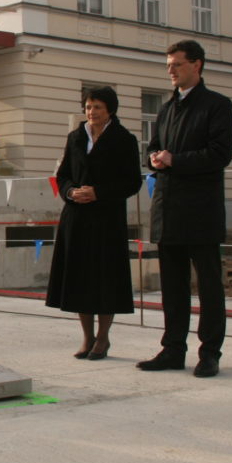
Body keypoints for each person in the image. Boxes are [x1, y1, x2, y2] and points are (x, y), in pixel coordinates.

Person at [138, 39, 232, 378]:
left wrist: (175, 160)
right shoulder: (166, 109)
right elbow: (153, 148)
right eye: (168, 65)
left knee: (208, 286)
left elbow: (220, 154)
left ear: (196, 65)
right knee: (172, 286)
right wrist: (154, 157)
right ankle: (172, 349)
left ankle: (209, 352)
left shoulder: (217, 106)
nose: (170, 70)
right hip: (168, 209)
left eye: (176, 64)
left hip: (201, 210)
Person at [45, 86, 142, 360]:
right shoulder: (75, 137)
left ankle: (103, 338)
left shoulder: (124, 140)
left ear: (110, 109)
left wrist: (98, 192)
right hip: (76, 217)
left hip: (106, 219)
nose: (91, 112)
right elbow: (62, 175)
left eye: (97, 107)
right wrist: (70, 192)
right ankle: (86, 337)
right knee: (79, 279)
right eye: (88, 106)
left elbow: (132, 181)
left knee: (105, 278)